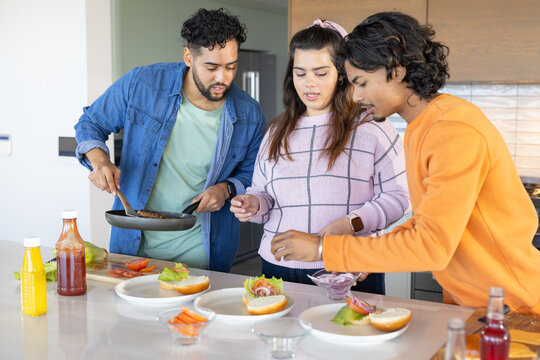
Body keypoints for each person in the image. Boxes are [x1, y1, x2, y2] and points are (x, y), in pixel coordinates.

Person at [270, 12, 540, 313]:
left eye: (362, 82)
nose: (356, 96)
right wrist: (358, 255)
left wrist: (323, 249)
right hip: (476, 303)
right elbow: (426, 222)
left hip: (515, 307)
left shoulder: (452, 131)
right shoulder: (420, 128)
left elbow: (430, 245)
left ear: (396, 71)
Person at [74, 8, 265, 272]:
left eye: (231, 66)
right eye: (211, 67)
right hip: (132, 250)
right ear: (188, 56)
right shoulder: (143, 84)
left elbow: (251, 174)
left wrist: (225, 189)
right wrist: (99, 161)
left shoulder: (249, 113)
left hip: (203, 254)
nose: (223, 77)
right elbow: (91, 123)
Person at [230, 20, 410, 294]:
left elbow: (399, 198)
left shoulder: (371, 126)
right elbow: (263, 193)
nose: (309, 84)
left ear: (341, 73)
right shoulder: (276, 130)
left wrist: (350, 224)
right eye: (300, 73)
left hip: (347, 265)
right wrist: (253, 203)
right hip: (278, 264)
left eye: (320, 73)